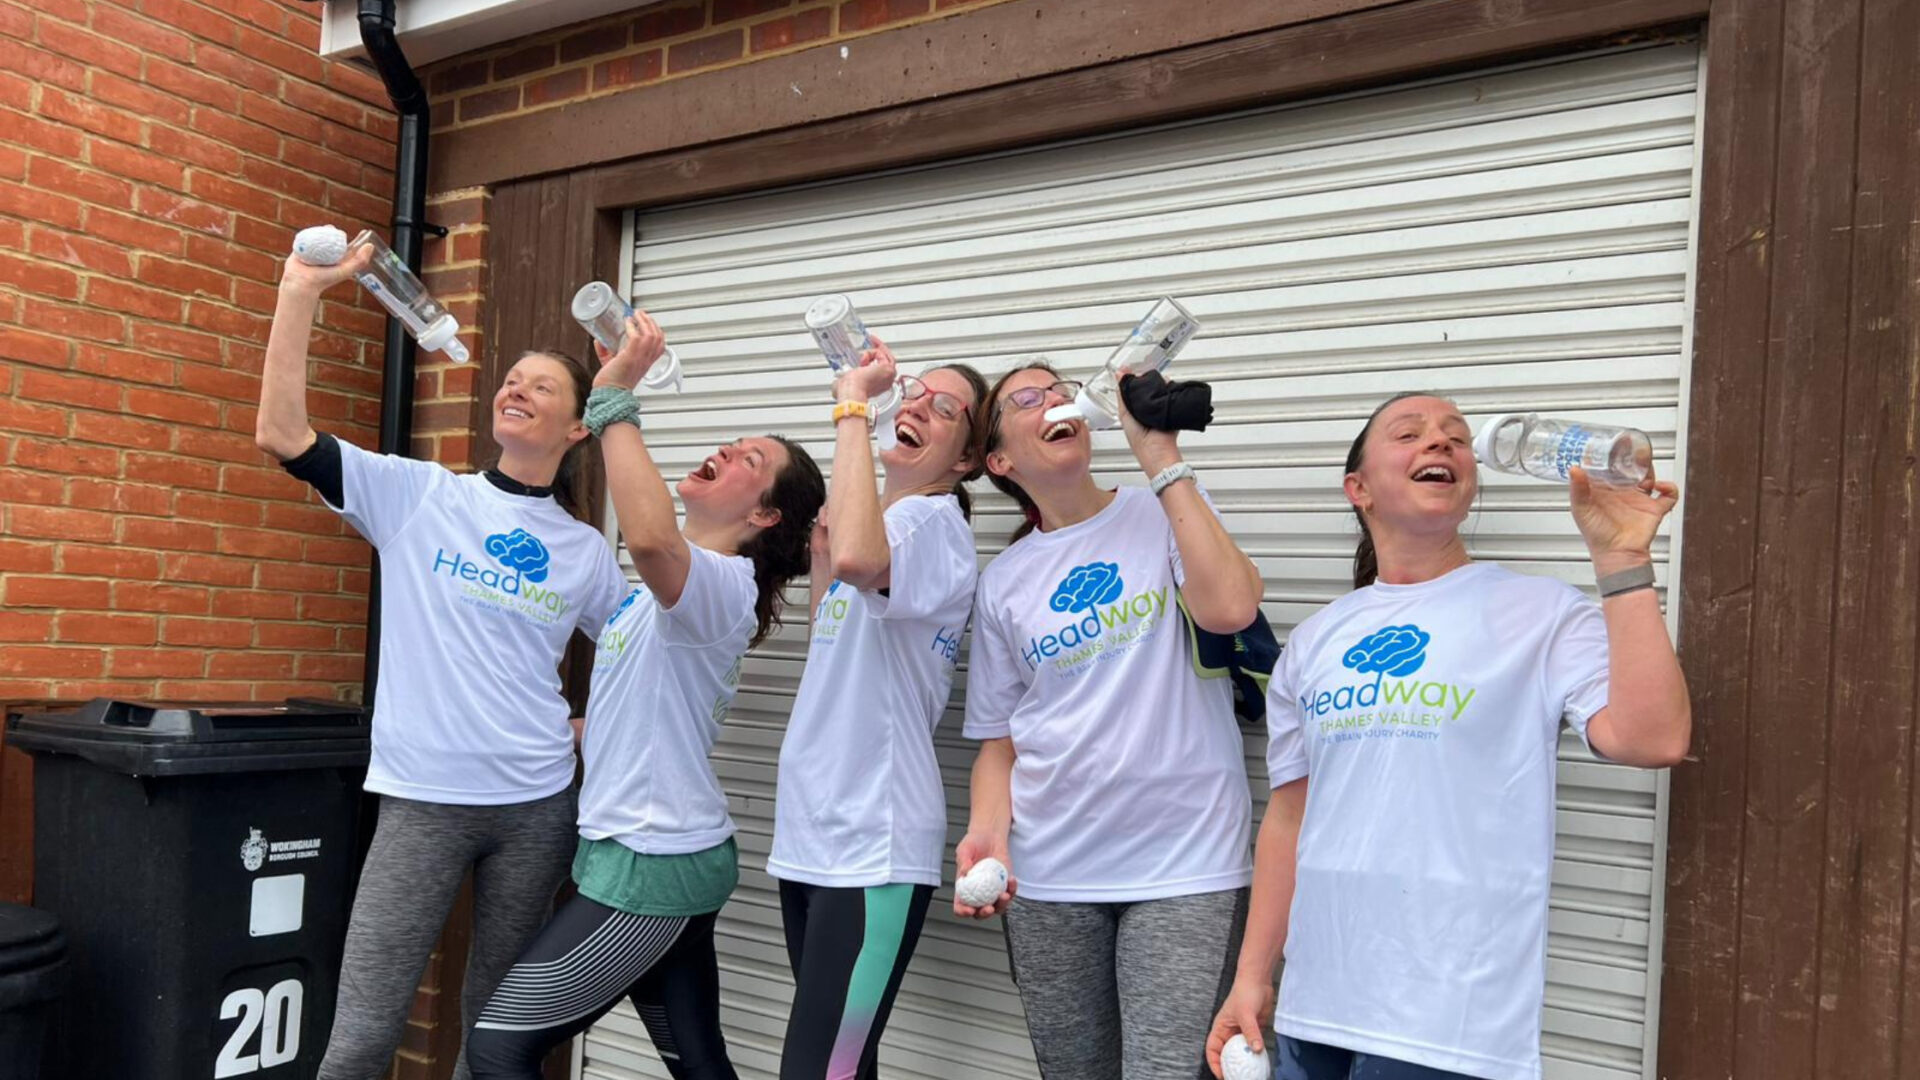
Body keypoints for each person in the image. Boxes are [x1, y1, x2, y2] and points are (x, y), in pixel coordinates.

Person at [1206, 393, 1690, 1080]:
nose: (1441, 444)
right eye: (1410, 433)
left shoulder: (1543, 613)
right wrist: (1252, 977)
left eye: (1457, 438)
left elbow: (1655, 740)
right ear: (1359, 488)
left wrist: (1622, 561)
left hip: (1450, 1024)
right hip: (1318, 1006)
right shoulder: (1315, 642)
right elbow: (1288, 821)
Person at [256, 249, 630, 1079]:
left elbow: (646, 657)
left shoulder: (583, 551)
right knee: (360, 1036)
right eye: (512, 379)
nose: (516, 388)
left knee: (498, 1043)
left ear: (578, 429)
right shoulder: (421, 497)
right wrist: (299, 290)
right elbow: (281, 434)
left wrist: (593, 721)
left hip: (537, 807)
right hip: (422, 804)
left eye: (541, 385)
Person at [465, 312, 826, 1080]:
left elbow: (654, 539)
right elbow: (646, 703)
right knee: (699, 1065)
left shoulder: (717, 583)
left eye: (750, 461)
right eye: (733, 442)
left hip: (650, 863)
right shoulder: (654, 599)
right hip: (659, 852)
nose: (728, 449)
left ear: (763, 516)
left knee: (499, 1048)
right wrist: (572, 726)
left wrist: (614, 397)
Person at [957, 360, 1266, 1080]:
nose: (1055, 401)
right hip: (1052, 874)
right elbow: (1000, 738)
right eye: (1027, 400)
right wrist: (986, 831)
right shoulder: (1004, 580)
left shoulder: (1163, 507)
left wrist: (1159, 452)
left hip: (1186, 865)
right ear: (1000, 460)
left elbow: (1230, 608)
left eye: (1060, 390)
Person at [767, 339, 987, 1080]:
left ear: (966, 462)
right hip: (815, 836)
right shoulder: (888, 521)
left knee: (818, 1073)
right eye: (916, 393)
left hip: (872, 844)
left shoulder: (934, 526)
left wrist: (853, 404)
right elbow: (842, 616)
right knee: (842, 1067)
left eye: (945, 408)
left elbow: (862, 560)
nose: (919, 404)